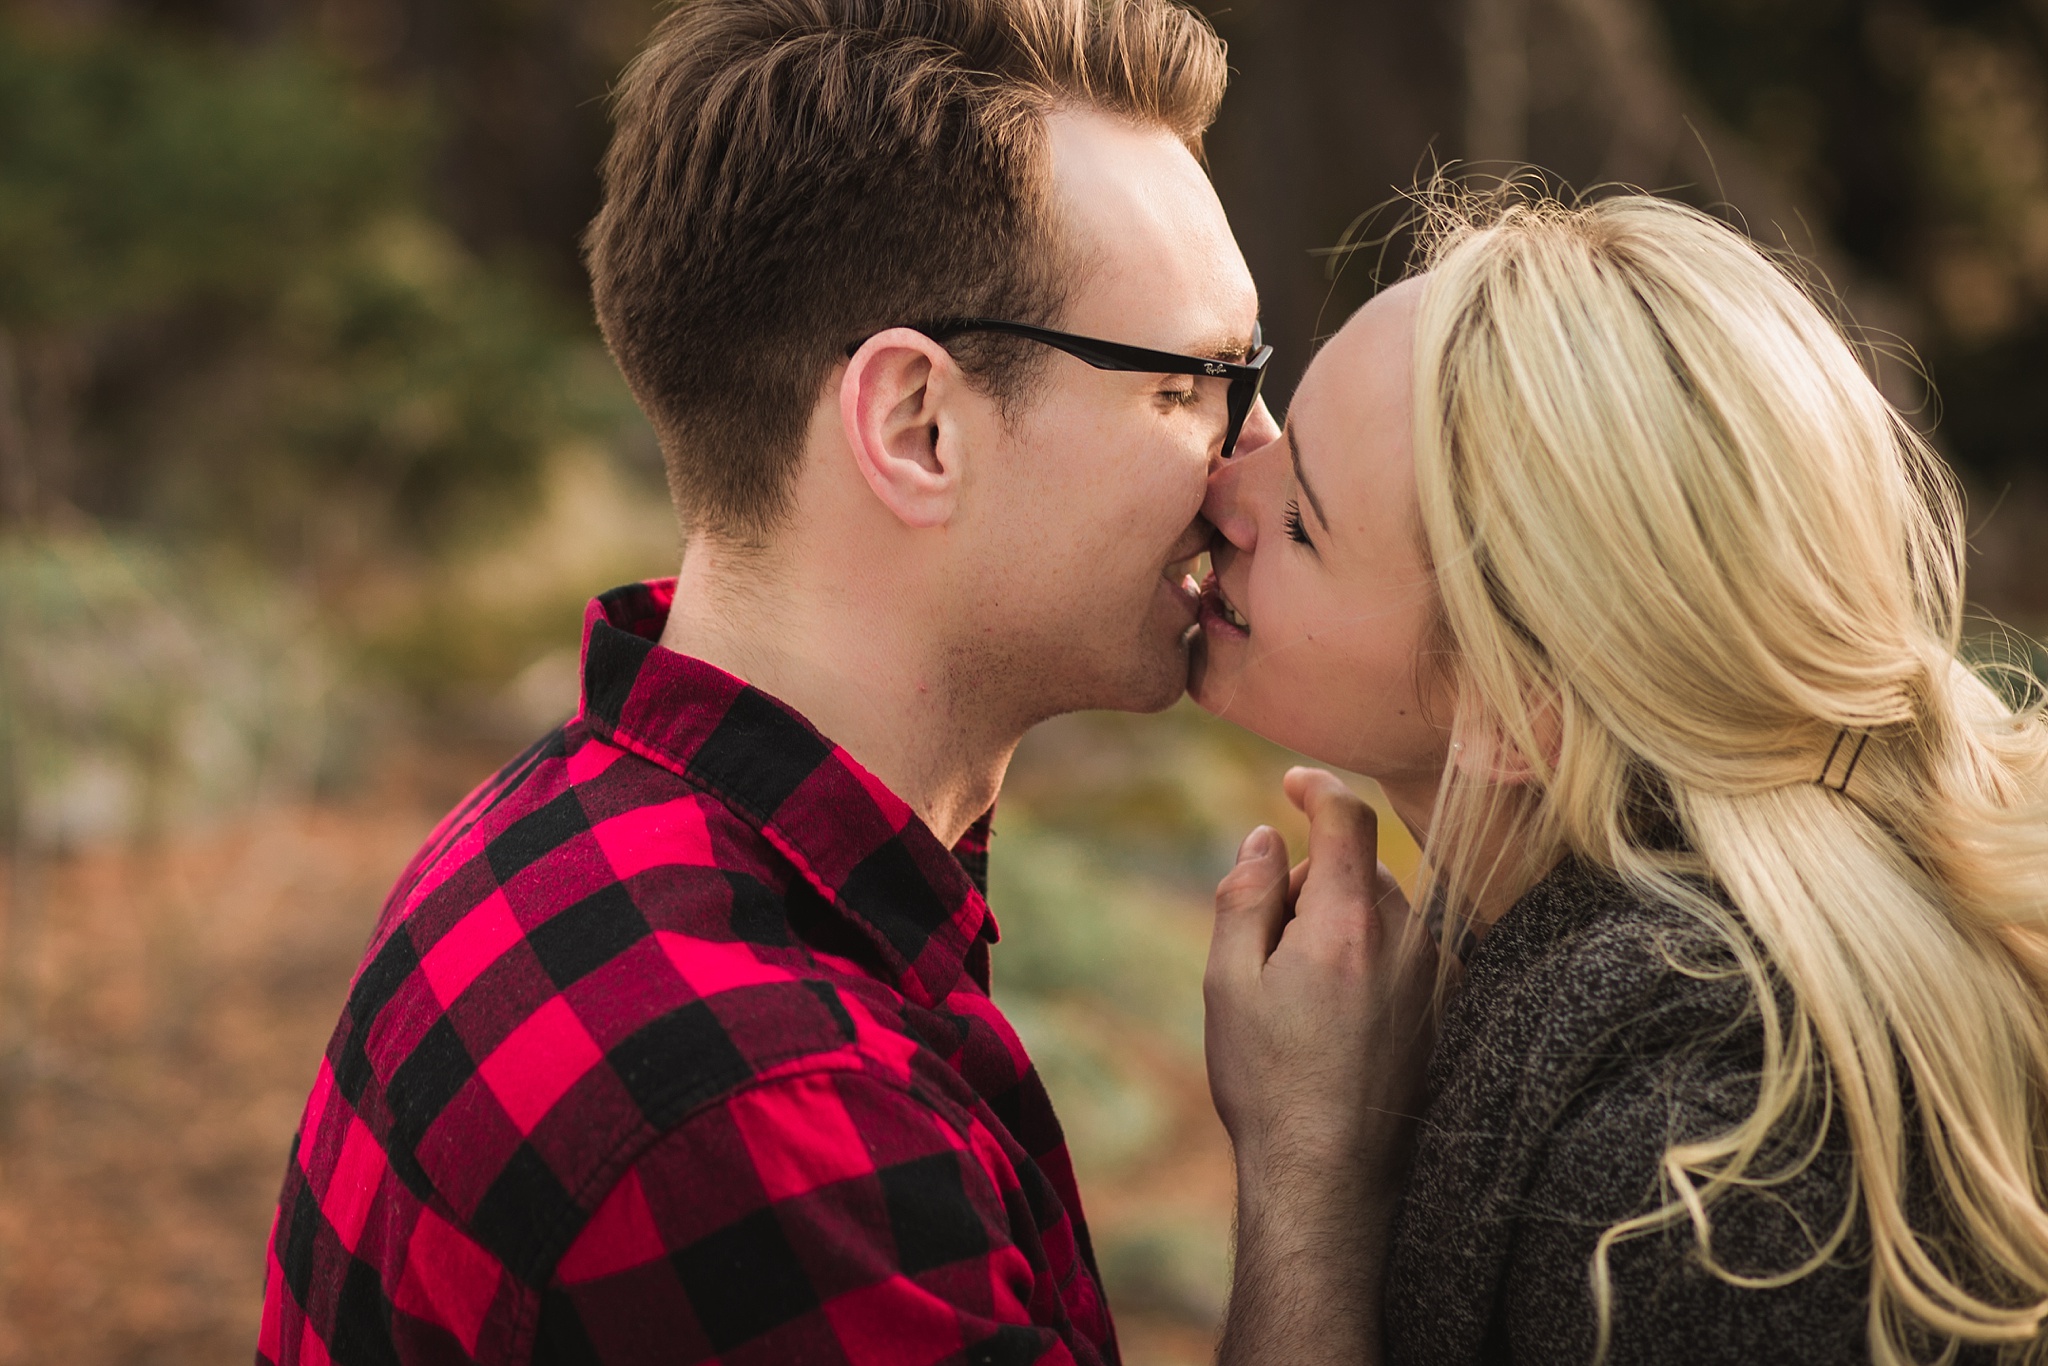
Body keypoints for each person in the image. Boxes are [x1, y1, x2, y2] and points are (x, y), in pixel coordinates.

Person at [255, 0, 1279, 1361]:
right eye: (1194, 382)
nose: (1255, 452)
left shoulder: (549, 830)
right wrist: (1311, 1168)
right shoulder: (771, 1104)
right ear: (918, 426)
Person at [1195, 189, 2048, 1365]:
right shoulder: (1621, 996)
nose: (1223, 492)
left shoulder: (1706, 1213)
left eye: (1302, 522)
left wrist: (1302, 1174)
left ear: (1518, 708)